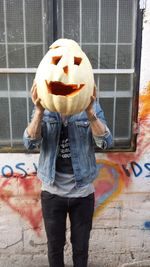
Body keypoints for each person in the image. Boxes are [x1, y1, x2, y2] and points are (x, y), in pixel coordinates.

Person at [23, 82, 112, 267]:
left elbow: (106, 142)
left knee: (81, 248)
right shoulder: (45, 106)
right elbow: (29, 142)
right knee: (55, 247)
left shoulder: (91, 105)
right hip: (52, 192)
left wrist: (90, 112)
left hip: (83, 192)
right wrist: (39, 111)